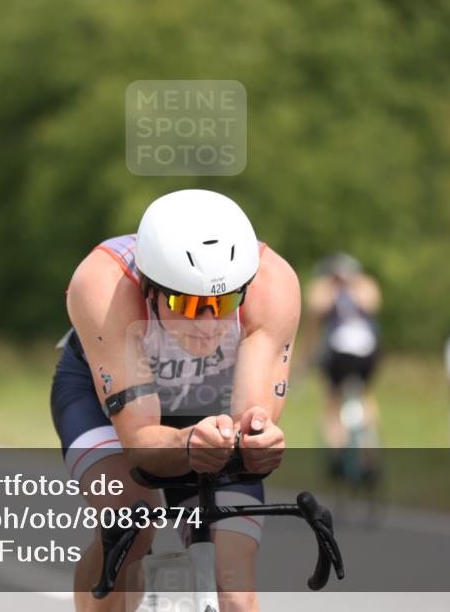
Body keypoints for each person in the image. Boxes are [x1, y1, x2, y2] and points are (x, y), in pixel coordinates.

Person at [51, 189, 300, 612]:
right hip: (106, 405)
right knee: (131, 525)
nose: (208, 323)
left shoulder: (273, 285)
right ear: (149, 287)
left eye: (224, 303)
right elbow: (140, 444)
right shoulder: (103, 285)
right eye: (185, 303)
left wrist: (256, 443)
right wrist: (189, 445)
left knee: (234, 586)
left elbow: (249, 423)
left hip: (211, 405)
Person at [307, 253, 382, 481]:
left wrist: (306, 360)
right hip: (368, 352)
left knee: (332, 400)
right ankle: (370, 453)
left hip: (338, 353)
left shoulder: (324, 288)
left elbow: (315, 319)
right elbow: (374, 306)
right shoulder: (365, 285)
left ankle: (337, 452)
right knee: (366, 395)